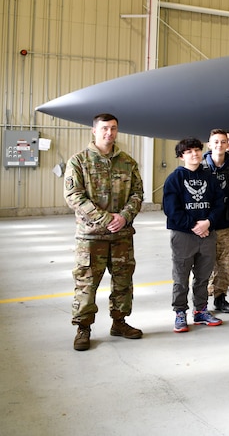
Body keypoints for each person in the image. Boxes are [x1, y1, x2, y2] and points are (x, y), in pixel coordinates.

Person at [64, 113, 144, 351]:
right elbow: (74, 196)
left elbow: (138, 194)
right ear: (94, 130)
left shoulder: (128, 162)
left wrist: (125, 217)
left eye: (113, 128)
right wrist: (106, 219)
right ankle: (83, 328)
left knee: (123, 282)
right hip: (91, 237)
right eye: (105, 128)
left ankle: (119, 322)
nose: (109, 133)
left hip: (121, 236)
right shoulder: (79, 161)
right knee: (87, 284)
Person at [164, 137, 225, 333]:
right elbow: (171, 210)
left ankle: (200, 311)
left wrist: (208, 222)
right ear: (181, 156)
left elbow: (219, 204)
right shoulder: (175, 178)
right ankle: (180, 312)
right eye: (189, 151)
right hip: (184, 235)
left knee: (203, 276)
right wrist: (194, 225)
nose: (195, 154)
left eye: (197, 150)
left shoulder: (210, 178)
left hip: (208, 233)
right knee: (181, 277)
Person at [203, 129, 229, 314]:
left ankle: (220, 298)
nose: (220, 145)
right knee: (204, 264)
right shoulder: (200, 167)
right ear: (209, 144)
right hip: (204, 226)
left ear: (228, 145)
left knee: (224, 263)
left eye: (223, 142)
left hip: (226, 225)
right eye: (216, 142)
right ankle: (201, 301)